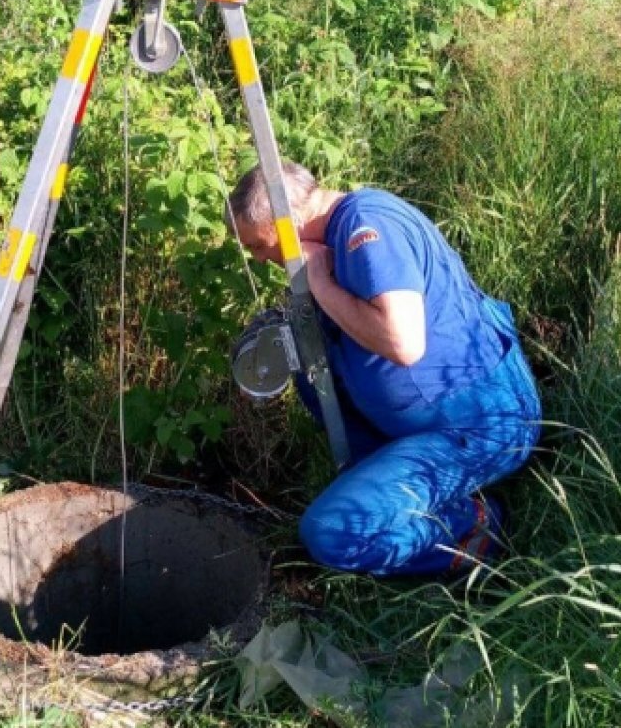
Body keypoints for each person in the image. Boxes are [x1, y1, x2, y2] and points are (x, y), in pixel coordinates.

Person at [228, 161, 541, 576]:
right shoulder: (340, 236)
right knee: (312, 374)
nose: (260, 259)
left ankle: (475, 528)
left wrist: (319, 280)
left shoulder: (366, 226)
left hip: (479, 426)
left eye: (258, 245)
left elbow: (403, 342)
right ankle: (391, 490)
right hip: (431, 425)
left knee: (334, 533)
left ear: (287, 224)